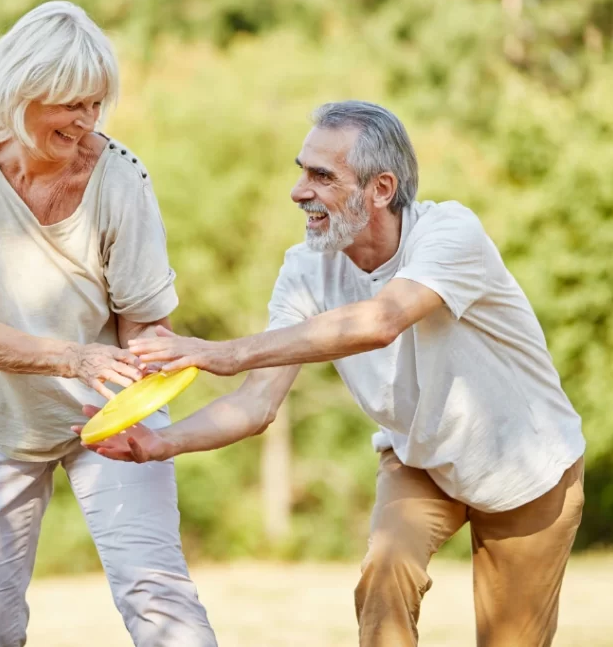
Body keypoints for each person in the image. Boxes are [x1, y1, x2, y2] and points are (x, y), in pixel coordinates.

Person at [77, 101, 586, 647]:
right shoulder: (305, 271)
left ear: (381, 188)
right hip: (420, 458)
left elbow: (383, 320)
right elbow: (256, 405)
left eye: (321, 176)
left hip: (527, 465)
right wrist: (161, 443)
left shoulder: (450, 234)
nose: (299, 191)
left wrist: (223, 352)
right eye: (302, 171)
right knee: (385, 573)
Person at [0, 1, 216, 647]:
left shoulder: (121, 177)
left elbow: (146, 328)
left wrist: (149, 366)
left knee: (157, 594)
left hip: (110, 411)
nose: (87, 122)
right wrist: (73, 358)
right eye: (71, 104)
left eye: (97, 104)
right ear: (20, 93)